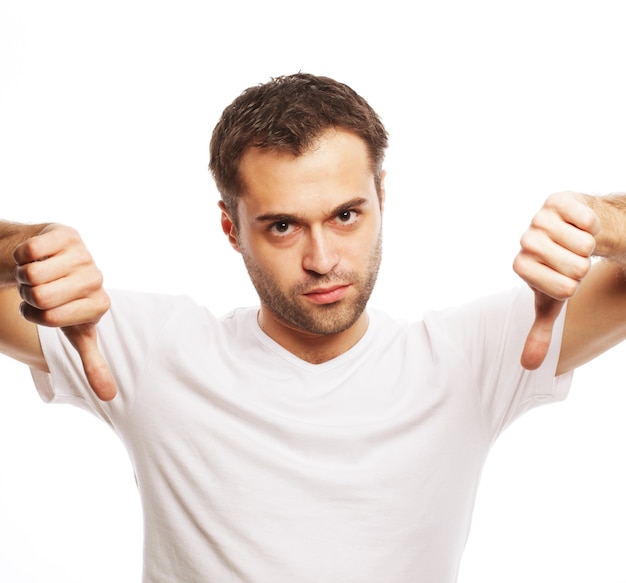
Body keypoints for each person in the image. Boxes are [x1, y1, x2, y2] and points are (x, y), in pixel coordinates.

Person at [1, 72, 625, 582]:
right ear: (230, 227)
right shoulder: (151, 352)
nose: (322, 259)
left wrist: (602, 224)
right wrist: (23, 253)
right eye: (282, 225)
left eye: (346, 214)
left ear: (383, 197)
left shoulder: (470, 359)